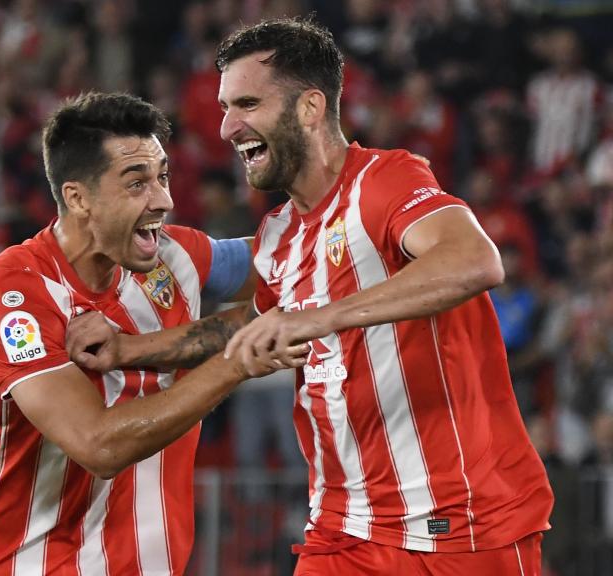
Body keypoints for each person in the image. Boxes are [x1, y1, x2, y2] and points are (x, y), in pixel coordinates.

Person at [69, 18, 554, 575]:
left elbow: (474, 260)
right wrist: (129, 349)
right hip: (341, 528)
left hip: (457, 527)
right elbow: (246, 327)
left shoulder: (385, 180)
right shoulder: (280, 233)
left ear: (309, 108)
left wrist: (316, 319)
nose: (227, 126)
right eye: (226, 107)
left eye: (247, 103)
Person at [0, 92, 309, 575]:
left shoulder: (176, 260)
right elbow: (99, 446)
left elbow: (298, 262)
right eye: (137, 184)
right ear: (77, 198)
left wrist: (368, 210)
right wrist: (237, 361)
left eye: (163, 176)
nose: (164, 200)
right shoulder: (12, 297)